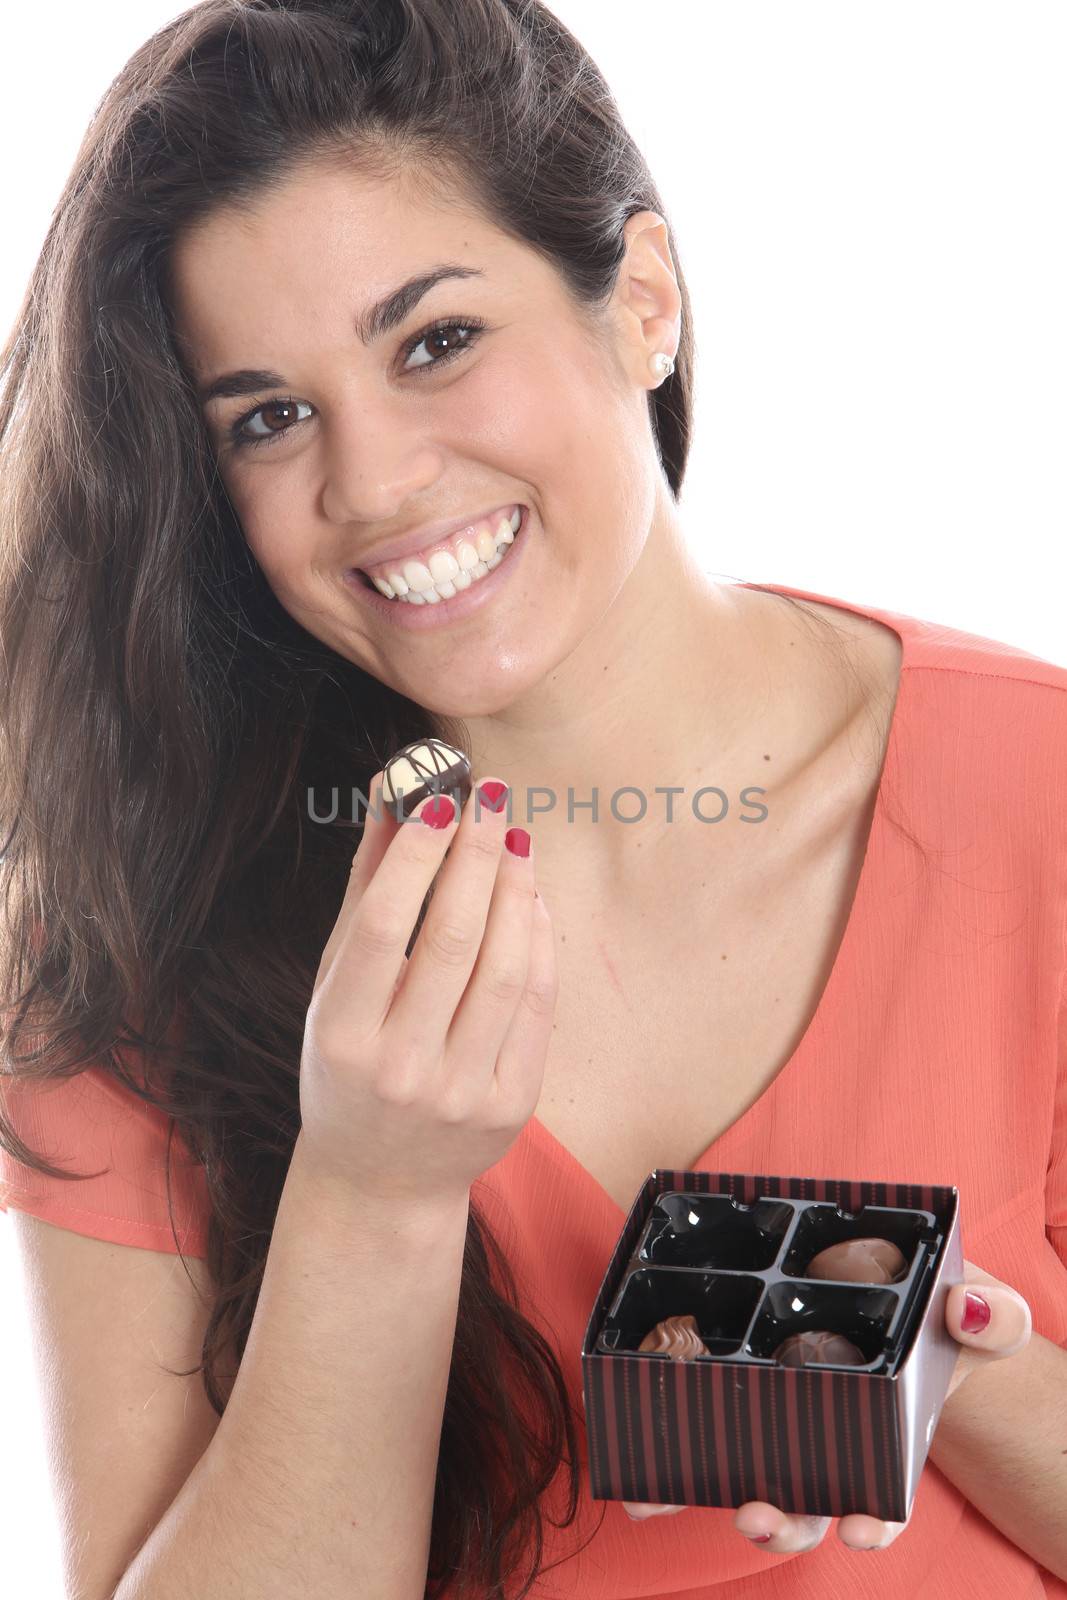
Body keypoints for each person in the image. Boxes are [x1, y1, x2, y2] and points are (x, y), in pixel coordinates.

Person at [0, 3, 1062, 1597]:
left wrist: (928, 1363)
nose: (371, 485)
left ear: (642, 303)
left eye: (435, 342)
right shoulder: (137, 938)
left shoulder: (1038, 799)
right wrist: (373, 1194)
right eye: (269, 417)